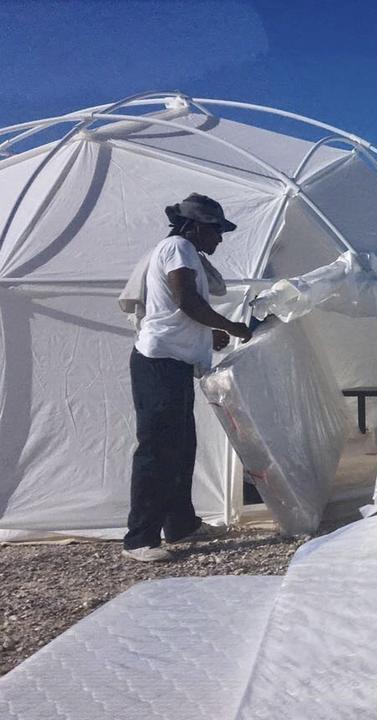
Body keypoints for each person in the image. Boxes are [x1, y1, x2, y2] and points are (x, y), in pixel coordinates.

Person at [121, 194, 252, 562]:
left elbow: (175, 312)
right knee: (157, 449)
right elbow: (186, 301)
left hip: (174, 361)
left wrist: (208, 336)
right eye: (216, 230)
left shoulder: (185, 251)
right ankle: (139, 539)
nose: (220, 239)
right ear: (195, 226)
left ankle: (180, 524)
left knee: (180, 446)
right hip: (158, 362)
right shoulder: (179, 246)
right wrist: (231, 326)